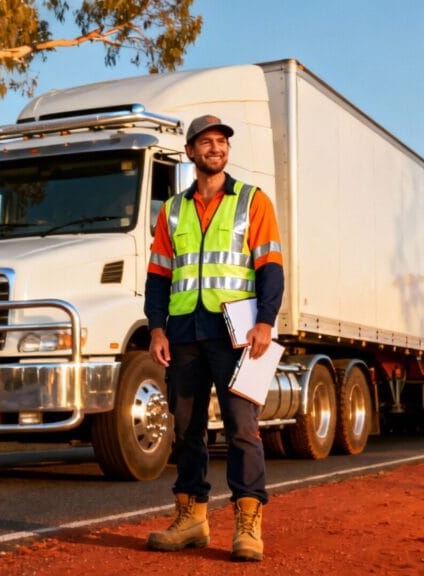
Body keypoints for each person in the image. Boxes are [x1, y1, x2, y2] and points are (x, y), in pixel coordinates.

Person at [143, 114, 284, 562]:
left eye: (221, 141)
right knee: (186, 430)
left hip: (237, 333)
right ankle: (191, 518)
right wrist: (156, 327)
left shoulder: (252, 201)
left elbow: (271, 268)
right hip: (184, 332)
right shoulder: (172, 210)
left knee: (242, 428)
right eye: (205, 142)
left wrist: (266, 320)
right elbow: (158, 275)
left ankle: (248, 522)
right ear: (190, 153)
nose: (216, 148)